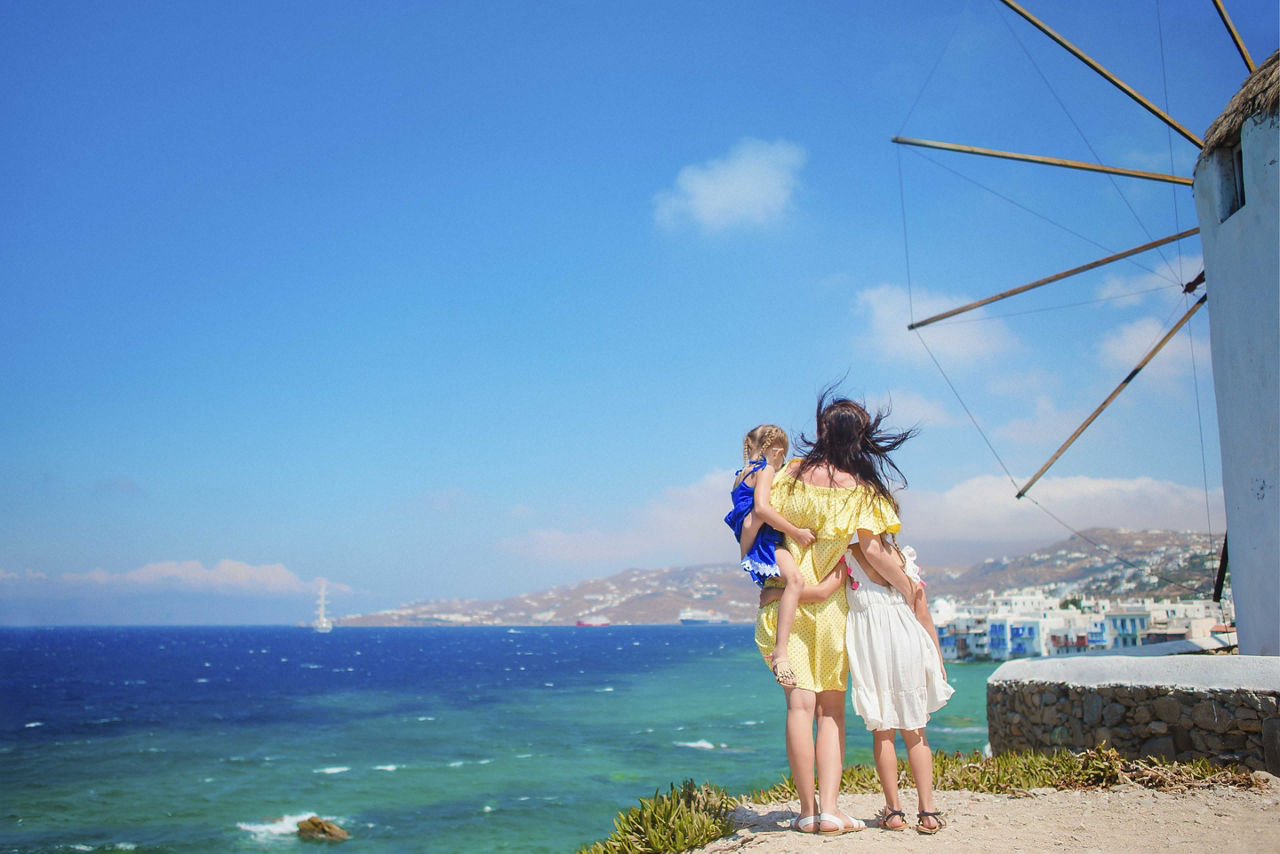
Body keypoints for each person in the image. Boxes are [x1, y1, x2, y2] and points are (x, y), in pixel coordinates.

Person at [753, 392, 908, 835]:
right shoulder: (861, 490)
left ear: (823, 430)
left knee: (798, 709)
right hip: (831, 608)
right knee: (831, 712)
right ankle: (831, 811)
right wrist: (910, 588)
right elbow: (874, 552)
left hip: (781, 603)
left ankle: (806, 811)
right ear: (860, 439)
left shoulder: (789, 473)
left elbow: (757, 521)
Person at [725, 425, 815, 686]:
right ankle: (781, 651)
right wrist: (796, 532)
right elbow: (762, 509)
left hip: (754, 541)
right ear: (777, 451)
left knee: (790, 584)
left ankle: (774, 597)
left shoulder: (740, 475)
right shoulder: (764, 469)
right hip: (766, 541)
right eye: (782, 459)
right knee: (796, 580)